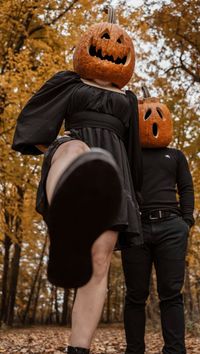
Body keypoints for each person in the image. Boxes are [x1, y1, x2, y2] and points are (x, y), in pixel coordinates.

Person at [12, 7, 142, 354]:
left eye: (119, 43)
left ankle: (78, 349)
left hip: (112, 176)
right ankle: (66, 219)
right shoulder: (69, 82)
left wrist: (134, 198)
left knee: (100, 261)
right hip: (72, 148)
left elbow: (132, 153)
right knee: (78, 150)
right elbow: (36, 124)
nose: (112, 45)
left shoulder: (129, 100)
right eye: (104, 39)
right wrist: (55, 144)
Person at [122, 89, 194, 354]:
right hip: (136, 229)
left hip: (171, 228)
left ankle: (175, 351)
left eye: (158, 114)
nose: (152, 119)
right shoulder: (129, 155)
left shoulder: (175, 156)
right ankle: (134, 351)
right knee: (135, 295)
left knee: (171, 295)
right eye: (145, 115)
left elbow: (186, 188)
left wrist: (186, 222)